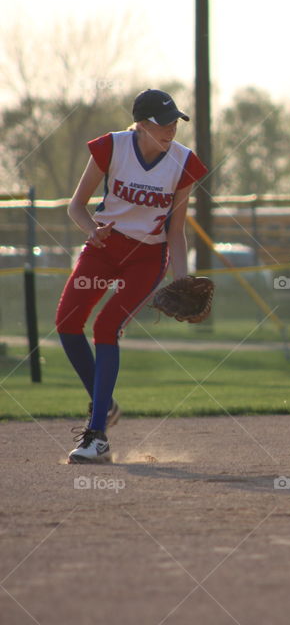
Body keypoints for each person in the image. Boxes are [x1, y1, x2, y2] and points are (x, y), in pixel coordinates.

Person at [57, 89, 208, 464]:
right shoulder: (112, 148)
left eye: (174, 121)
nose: (170, 129)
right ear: (140, 124)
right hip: (104, 247)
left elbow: (176, 231)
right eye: (162, 122)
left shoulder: (183, 163)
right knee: (67, 324)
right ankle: (104, 404)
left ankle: (97, 437)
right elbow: (76, 206)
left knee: (106, 327)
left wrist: (182, 280)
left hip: (147, 257)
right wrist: (91, 229)